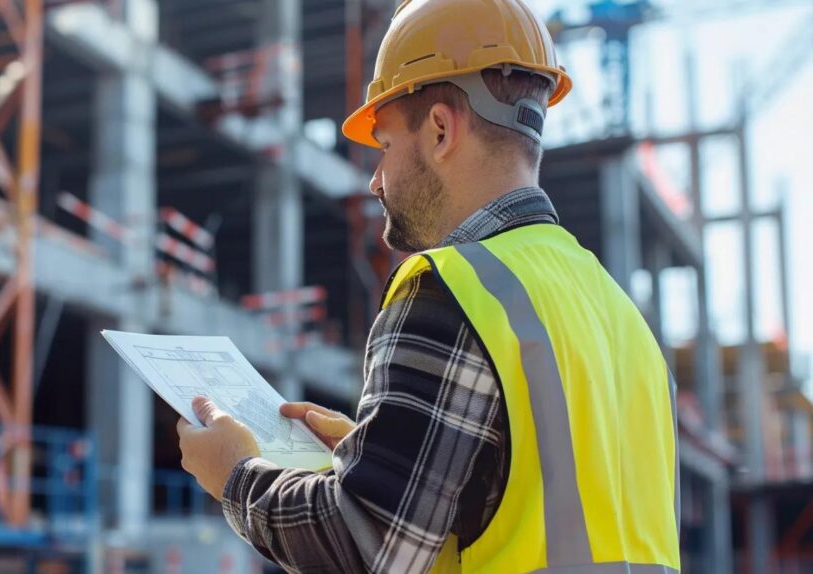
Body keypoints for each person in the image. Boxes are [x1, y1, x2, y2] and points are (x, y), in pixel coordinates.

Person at [177, 0, 681, 572]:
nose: (374, 180)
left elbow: (369, 546)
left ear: (440, 129)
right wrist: (382, 457)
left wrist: (235, 476)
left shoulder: (453, 289)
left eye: (385, 146)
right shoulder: (619, 314)